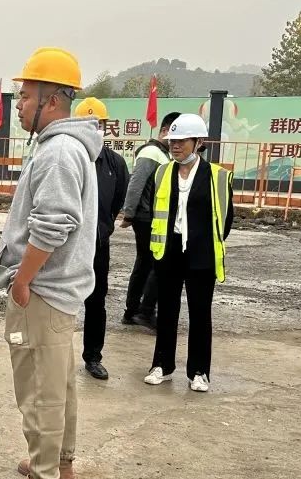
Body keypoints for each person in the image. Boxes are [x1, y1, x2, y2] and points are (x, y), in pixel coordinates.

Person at [0, 47, 102, 479]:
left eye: (25, 95)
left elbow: (52, 225)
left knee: (39, 389)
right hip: (59, 292)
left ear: (51, 100)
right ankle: (60, 465)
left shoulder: (57, 152)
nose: (18, 104)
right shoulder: (68, 147)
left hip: (43, 291)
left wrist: (22, 280)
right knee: (59, 384)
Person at [143, 114, 233, 392]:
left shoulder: (217, 176)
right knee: (167, 311)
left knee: (200, 313)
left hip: (201, 253)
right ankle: (162, 365)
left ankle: (199, 372)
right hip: (168, 251)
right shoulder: (162, 173)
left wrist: (203, 240)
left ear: (198, 142)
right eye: (173, 141)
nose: (175, 146)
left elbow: (226, 218)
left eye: (182, 141)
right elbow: (154, 210)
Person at [74, 98, 128, 380]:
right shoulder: (68, 157)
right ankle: (54, 355)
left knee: (96, 302)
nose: (94, 129)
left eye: (99, 124)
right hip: (67, 246)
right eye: (87, 124)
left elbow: (118, 200)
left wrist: (103, 228)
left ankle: (93, 356)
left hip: (97, 245)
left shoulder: (114, 163)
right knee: (59, 301)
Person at [120, 112, 181, 329]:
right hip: (146, 217)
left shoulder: (162, 153)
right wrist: (129, 213)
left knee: (146, 263)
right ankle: (143, 311)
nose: (176, 142)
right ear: (164, 131)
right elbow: (136, 183)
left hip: (151, 217)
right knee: (154, 263)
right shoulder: (151, 152)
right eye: (174, 135)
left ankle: (134, 311)